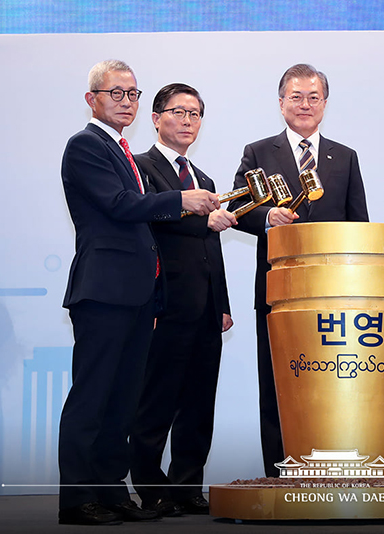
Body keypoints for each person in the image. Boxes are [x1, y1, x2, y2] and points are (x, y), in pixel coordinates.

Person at [57, 60, 219, 525]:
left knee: (123, 400)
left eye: (132, 93)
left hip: (136, 296)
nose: (126, 101)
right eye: (116, 93)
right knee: (93, 397)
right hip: (103, 291)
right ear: (92, 99)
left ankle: (112, 494)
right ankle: (77, 499)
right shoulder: (85, 145)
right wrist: (180, 201)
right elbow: (119, 205)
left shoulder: (122, 150)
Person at [228, 63, 369, 477]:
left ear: (324, 103)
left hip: (333, 295)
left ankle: (331, 468)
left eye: (313, 97)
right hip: (278, 289)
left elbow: (357, 225)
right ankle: (280, 474)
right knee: (277, 386)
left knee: (332, 384)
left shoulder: (344, 157)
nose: (305, 105)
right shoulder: (258, 152)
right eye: (296, 97)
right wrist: (266, 216)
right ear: (281, 103)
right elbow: (238, 207)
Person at [129, 83, 236, 517]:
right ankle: (151, 488)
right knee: (157, 400)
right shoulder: (139, 168)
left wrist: (223, 302)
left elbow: (212, 247)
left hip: (206, 308)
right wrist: (195, 213)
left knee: (198, 402)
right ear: (156, 119)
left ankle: (187, 485)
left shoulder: (204, 178)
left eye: (195, 114)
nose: (188, 121)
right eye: (178, 112)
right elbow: (148, 224)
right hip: (165, 305)